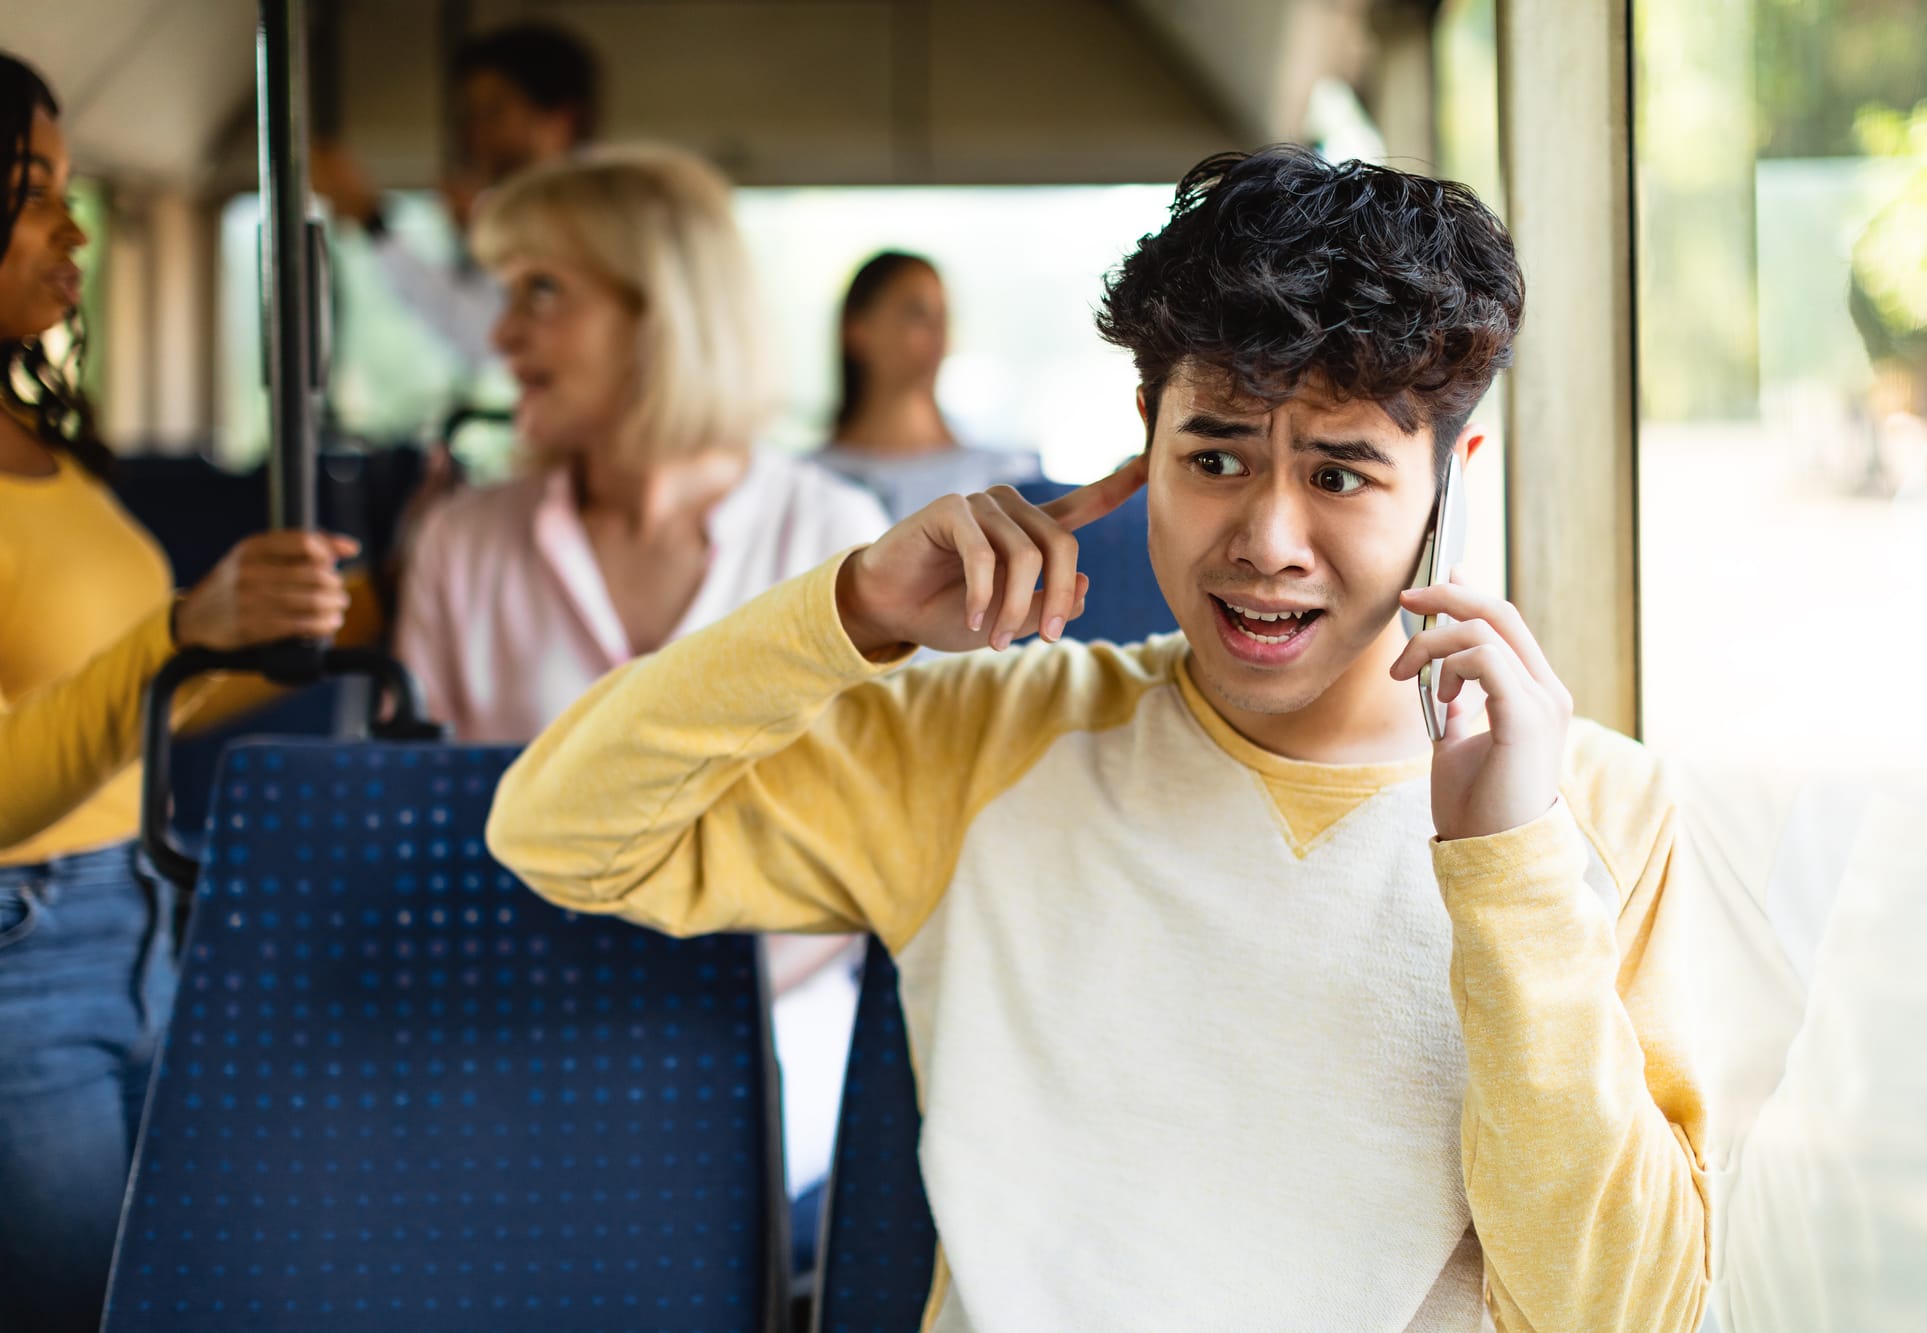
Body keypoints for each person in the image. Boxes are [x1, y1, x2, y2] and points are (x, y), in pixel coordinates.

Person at [487, 147, 1710, 1330]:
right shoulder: (983, 741)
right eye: (1215, 456)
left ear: (1453, 482)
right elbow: (560, 831)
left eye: (1340, 478)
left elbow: (1620, 1314)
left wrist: (1510, 873)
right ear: (1145, 440)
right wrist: (847, 609)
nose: (1266, 539)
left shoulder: (1583, 817)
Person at [392, 144, 889, 1267]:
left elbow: (871, 839)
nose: (500, 335)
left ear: (656, 316)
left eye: (541, 293)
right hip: (510, 1024)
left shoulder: (836, 539)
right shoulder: (460, 541)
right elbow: (425, 815)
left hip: (778, 1028)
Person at [0, 53, 358, 1332]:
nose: (74, 226)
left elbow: (117, 711)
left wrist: (253, 642)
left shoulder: (42, 447)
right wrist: (181, 632)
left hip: (141, 911)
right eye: (34, 189)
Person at [312, 21, 599, 366]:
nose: (475, 135)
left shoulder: (597, 216)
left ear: (561, 120)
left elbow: (480, 336)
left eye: (493, 112)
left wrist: (374, 222)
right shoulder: (536, 217)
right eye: (470, 116)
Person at [815, 250, 1043, 520]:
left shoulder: (1006, 477)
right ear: (857, 329)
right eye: (917, 313)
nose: (938, 331)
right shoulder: (806, 481)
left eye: (943, 316)